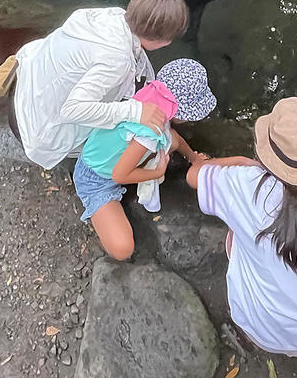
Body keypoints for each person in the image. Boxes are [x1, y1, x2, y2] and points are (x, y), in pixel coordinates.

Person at [186, 97, 297, 357]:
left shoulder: (243, 183)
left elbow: (193, 176)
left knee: (234, 234)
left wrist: (243, 162)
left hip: (261, 332)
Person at [10, 0, 189, 170]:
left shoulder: (113, 16)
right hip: (33, 128)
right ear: (163, 41)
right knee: (123, 140)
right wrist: (136, 112)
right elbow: (72, 109)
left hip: (25, 86)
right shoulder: (117, 60)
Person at [73, 59, 218, 260]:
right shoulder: (148, 134)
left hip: (111, 161)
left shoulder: (149, 101)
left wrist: (194, 158)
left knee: (168, 138)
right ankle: (100, 220)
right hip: (96, 180)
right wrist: (157, 172)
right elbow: (119, 175)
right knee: (123, 249)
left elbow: (173, 138)